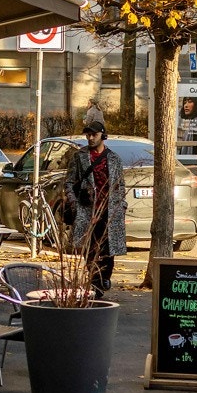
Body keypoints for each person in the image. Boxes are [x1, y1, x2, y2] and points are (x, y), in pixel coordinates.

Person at [64, 110, 126, 298]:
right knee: (89, 248)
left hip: (109, 210)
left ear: (103, 136)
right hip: (87, 210)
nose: (90, 138)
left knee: (108, 248)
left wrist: (121, 205)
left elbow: (120, 184)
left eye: (94, 135)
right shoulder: (79, 156)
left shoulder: (114, 158)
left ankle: (104, 277)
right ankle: (94, 281)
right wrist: (75, 202)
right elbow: (68, 182)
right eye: (88, 135)